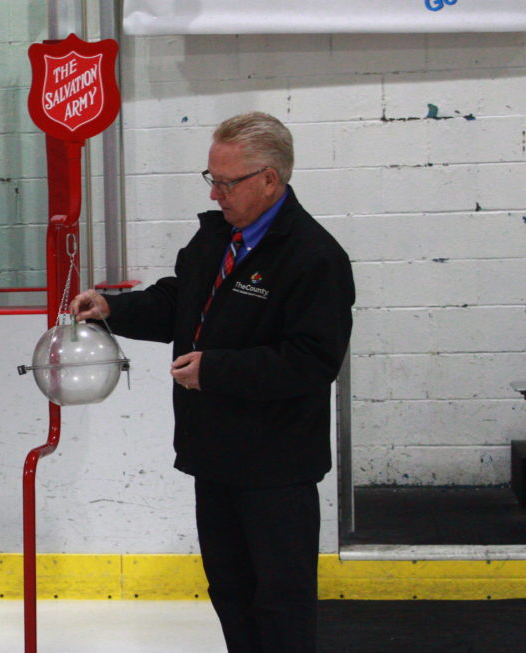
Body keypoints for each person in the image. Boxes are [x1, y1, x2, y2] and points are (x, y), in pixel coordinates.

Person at [70, 112, 354, 653]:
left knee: (280, 598)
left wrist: (216, 370)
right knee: (229, 590)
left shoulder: (314, 258)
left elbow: (312, 361)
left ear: (270, 179)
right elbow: (179, 302)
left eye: (228, 182)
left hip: (276, 465)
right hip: (216, 453)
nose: (217, 192)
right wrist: (113, 308)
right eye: (211, 180)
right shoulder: (216, 239)